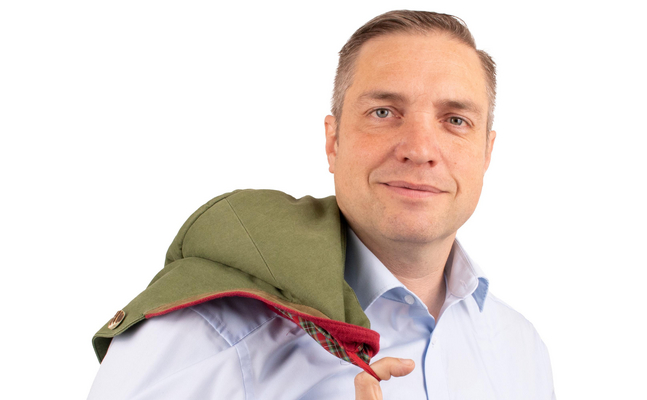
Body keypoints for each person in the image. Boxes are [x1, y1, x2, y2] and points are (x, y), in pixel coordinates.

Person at [87, 10, 555, 400]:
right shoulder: (200, 333)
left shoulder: (521, 348)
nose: (419, 149)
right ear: (333, 142)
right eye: (383, 112)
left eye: (455, 120)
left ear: (486, 153)